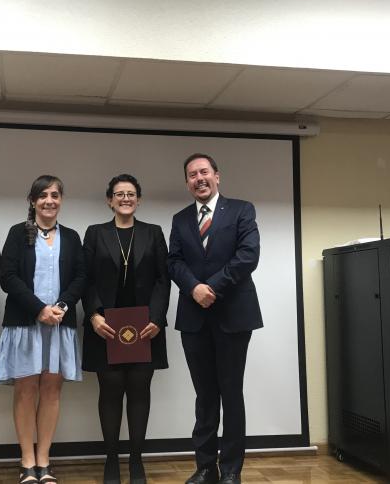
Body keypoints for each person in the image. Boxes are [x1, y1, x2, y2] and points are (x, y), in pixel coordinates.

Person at [167, 153, 262, 484]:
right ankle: (205, 467)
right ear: (187, 182)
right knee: (205, 396)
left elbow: (248, 256)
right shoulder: (180, 220)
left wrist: (212, 287)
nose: (199, 178)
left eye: (204, 172)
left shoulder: (241, 210)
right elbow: (174, 262)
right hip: (194, 319)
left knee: (231, 393)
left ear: (217, 176)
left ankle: (231, 470)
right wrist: (194, 288)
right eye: (192, 175)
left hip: (234, 316)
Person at [0, 175, 87, 484]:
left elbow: (81, 277)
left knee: (51, 390)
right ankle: (27, 461)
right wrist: (38, 308)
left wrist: (60, 306)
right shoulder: (17, 233)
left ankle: (45, 460)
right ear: (33, 200)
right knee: (25, 390)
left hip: (59, 324)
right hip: (25, 323)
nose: (50, 200)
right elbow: (7, 277)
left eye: (55, 195)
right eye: (43, 195)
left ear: (61, 200)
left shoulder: (72, 237)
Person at [82, 174, 170, 484]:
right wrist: (92, 314)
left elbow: (163, 279)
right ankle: (110, 460)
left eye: (131, 193)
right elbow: (86, 278)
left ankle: (136, 461)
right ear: (109, 200)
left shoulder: (153, 233)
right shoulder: (95, 234)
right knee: (109, 391)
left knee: (139, 391)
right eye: (119, 194)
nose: (125, 198)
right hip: (105, 328)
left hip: (145, 328)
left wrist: (158, 319)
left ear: (138, 199)